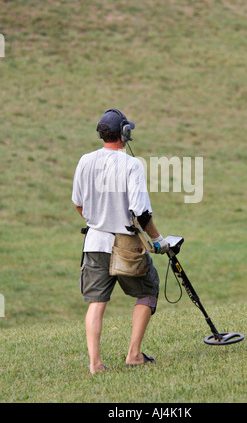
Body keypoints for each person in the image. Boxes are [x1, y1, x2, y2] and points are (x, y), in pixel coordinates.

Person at [72, 108, 168, 374]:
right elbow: (141, 212)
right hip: (126, 245)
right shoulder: (132, 165)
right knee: (148, 291)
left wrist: (98, 218)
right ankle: (134, 354)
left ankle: (95, 364)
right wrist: (157, 240)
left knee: (97, 302)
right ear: (124, 134)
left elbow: (78, 203)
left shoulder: (84, 160)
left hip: (94, 242)